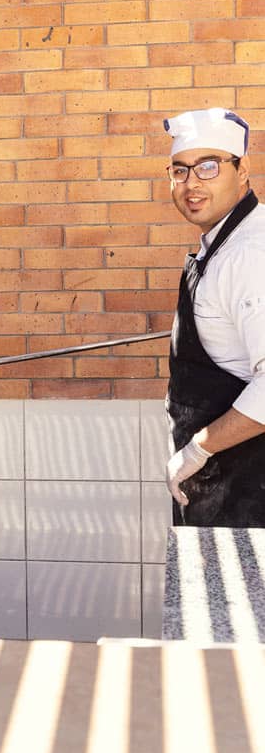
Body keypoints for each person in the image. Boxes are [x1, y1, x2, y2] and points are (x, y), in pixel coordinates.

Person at [164, 107, 265, 526]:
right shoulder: (221, 247)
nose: (191, 183)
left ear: (242, 172)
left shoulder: (250, 253)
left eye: (209, 167)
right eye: (180, 170)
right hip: (223, 487)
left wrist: (197, 450)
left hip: (247, 491)